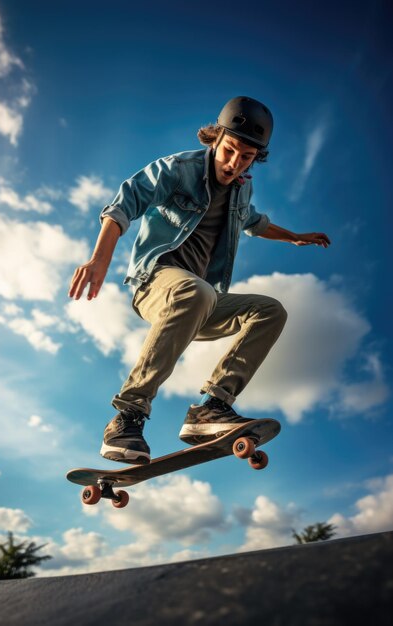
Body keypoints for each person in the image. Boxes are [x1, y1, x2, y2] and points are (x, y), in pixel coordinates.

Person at [68, 96, 330, 465]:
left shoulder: (243, 188)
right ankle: (127, 417)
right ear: (215, 139)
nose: (234, 164)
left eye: (246, 157)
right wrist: (99, 259)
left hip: (202, 301)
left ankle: (212, 409)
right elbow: (126, 201)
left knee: (270, 311)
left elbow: (255, 223)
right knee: (195, 290)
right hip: (156, 286)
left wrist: (295, 236)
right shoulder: (178, 169)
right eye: (229, 151)